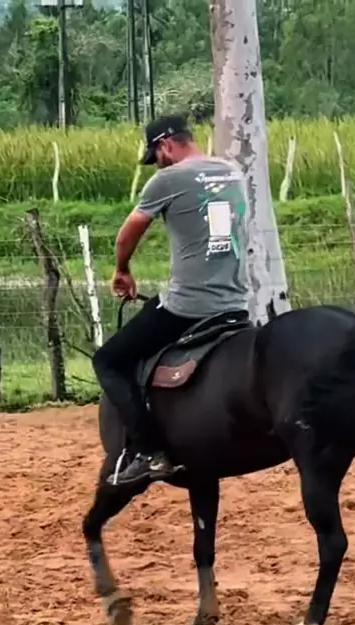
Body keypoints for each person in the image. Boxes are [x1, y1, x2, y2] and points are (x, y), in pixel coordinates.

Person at [92, 113, 250, 488]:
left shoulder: (168, 179)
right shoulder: (231, 172)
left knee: (108, 360)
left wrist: (122, 270)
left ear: (165, 145)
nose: (157, 164)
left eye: (156, 156)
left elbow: (128, 232)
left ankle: (149, 452)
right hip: (236, 302)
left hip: (188, 306)